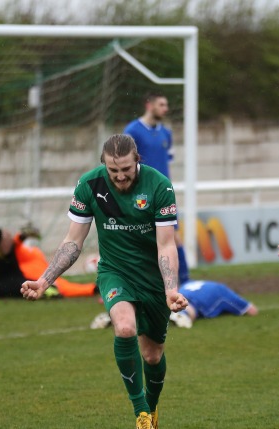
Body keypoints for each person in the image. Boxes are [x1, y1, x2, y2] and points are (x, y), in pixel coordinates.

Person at [20, 134, 188, 429]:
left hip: (152, 278)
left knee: (152, 355)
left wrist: (170, 288)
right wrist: (45, 281)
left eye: (126, 169)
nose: (121, 176)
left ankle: (152, 405)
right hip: (115, 271)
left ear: (137, 160)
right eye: (114, 171)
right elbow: (73, 242)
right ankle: (141, 414)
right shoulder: (89, 185)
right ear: (104, 165)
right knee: (124, 328)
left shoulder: (159, 185)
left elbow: (166, 245)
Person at [124, 92, 191, 285]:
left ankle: (185, 282)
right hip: (139, 195)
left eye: (166, 105)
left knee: (174, 238)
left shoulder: (166, 133)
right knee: (135, 240)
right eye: (161, 104)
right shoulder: (133, 131)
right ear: (149, 105)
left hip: (163, 194)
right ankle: (124, 282)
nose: (166, 109)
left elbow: (166, 162)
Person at [0, 213, 96, 299]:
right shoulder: (26, 253)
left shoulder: (42, 262)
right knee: (5, 236)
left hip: (13, 282)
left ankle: (46, 293)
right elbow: (15, 245)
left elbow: (67, 288)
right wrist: (22, 235)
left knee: (37, 287)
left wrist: (93, 288)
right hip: (4, 273)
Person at [92, 279, 258, 330]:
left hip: (179, 292)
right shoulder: (223, 290)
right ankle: (182, 315)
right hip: (194, 301)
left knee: (169, 304)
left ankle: (117, 316)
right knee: (192, 307)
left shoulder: (194, 283)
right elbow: (251, 310)